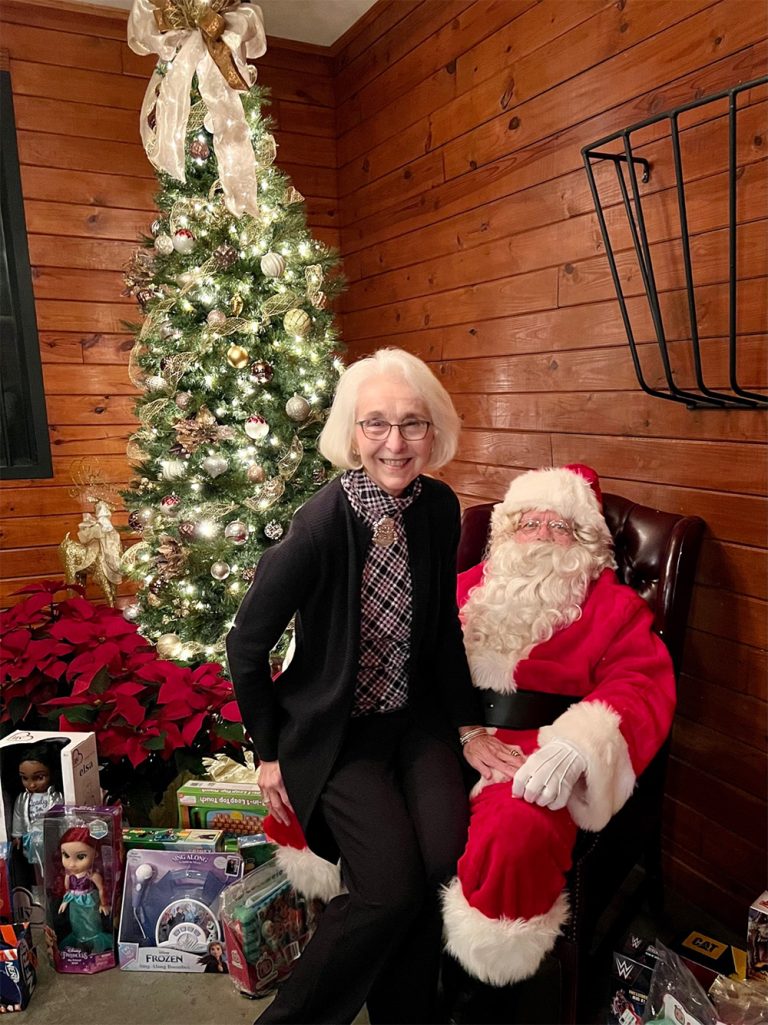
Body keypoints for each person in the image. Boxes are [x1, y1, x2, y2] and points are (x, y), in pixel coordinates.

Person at [226, 348, 513, 1025]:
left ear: (433, 431)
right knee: (388, 888)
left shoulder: (438, 507)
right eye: (376, 423)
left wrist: (468, 726)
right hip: (337, 735)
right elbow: (245, 644)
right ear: (351, 434)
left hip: (415, 722)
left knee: (443, 861)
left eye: (412, 423)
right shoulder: (321, 524)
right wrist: (268, 752)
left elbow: (440, 629)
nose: (395, 442)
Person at [441, 464, 676, 988]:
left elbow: (640, 683)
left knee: (517, 832)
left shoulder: (614, 606)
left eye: (560, 525)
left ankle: (487, 988)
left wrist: (578, 746)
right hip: (450, 730)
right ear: (508, 532)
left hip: (537, 750)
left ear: (585, 541)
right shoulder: (464, 588)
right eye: (530, 522)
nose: (542, 535)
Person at [57, 827, 113, 953]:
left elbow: (101, 889)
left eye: (81, 857)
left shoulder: (92, 875)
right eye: (66, 855)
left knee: (92, 923)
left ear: (96, 854)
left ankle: (95, 945)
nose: (72, 864)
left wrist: (104, 904)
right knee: (76, 923)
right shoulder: (68, 875)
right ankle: (80, 944)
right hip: (74, 903)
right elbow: (67, 889)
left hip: (89, 901)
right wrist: (65, 901)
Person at [11, 744, 63, 867]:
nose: (32, 785)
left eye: (39, 777)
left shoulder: (56, 797)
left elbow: (63, 817)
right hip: (31, 837)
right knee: (35, 864)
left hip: (51, 837)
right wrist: (17, 835)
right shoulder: (23, 799)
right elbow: (18, 816)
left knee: (53, 862)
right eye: (25, 778)